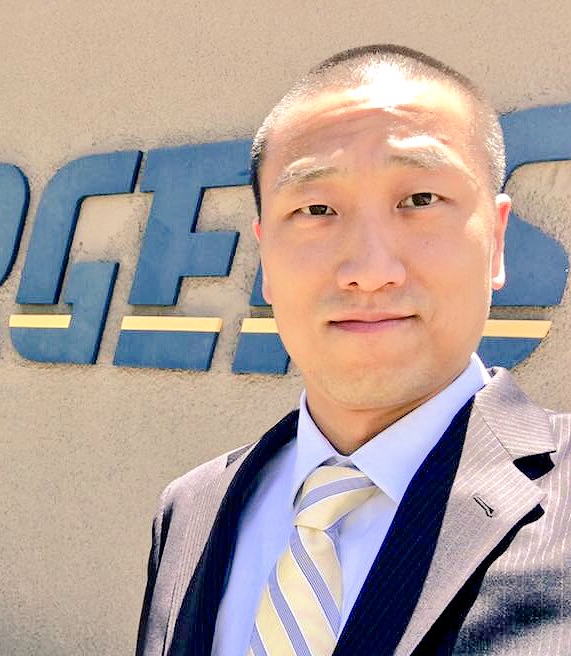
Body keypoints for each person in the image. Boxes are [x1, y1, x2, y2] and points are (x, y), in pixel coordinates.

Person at [135, 44, 571, 656]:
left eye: (420, 200)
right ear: (266, 258)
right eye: (316, 208)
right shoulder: (191, 509)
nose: (369, 271)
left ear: (496, 241)